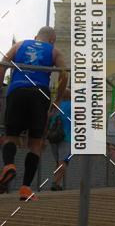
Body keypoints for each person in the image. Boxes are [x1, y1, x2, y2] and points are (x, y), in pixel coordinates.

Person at [0, 27, 67, 201]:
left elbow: (3, 65)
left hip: (17, 91)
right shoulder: (54, 51)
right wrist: (58, 99)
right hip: (40, 95)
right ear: (52, 40)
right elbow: (64, 75)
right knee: (35, 144)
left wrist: (1, 88)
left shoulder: (21, 44)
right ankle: (25, 188)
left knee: (11, 137)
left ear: (36, 37)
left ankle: (8, 165)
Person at [48, 89, 72, 191]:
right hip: (67, 137)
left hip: (53, 137)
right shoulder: (73, 105)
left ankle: (57, 183)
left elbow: (48, 117)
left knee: (58, 162)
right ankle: (55, 182)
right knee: (63, 162)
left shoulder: (55, 104)